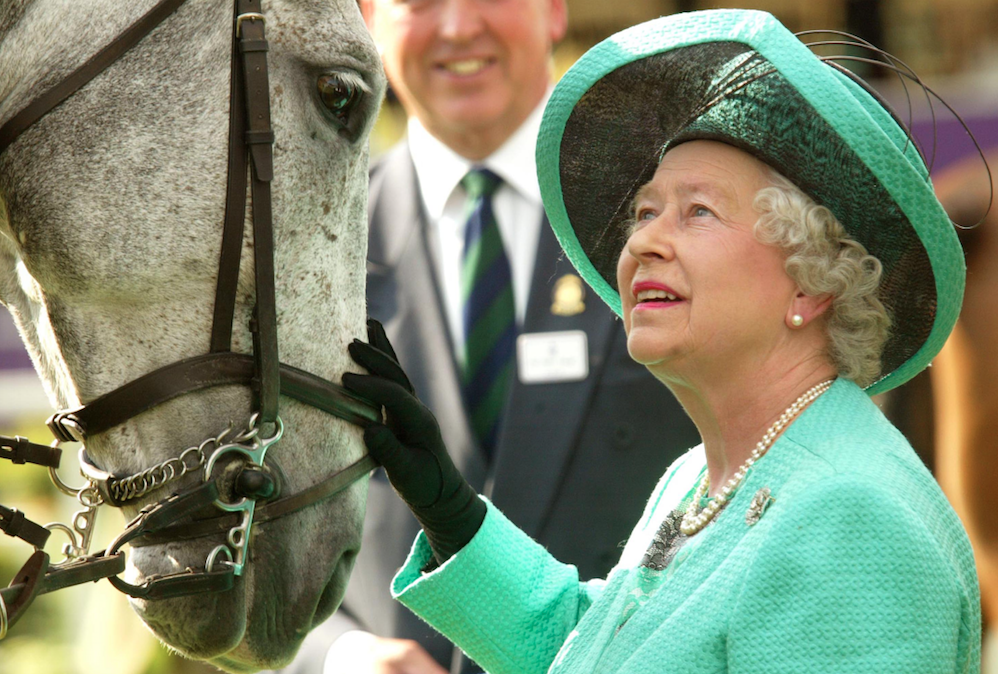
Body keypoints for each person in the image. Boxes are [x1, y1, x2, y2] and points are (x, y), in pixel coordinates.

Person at [340, 9, 982, 673]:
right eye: (645, 211)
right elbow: (597, 652)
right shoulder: (697, 477)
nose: (642, 240)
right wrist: (453, 515)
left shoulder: (849, 518)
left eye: (697, 211)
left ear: (811, 283)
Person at [274, 0, 699, 671]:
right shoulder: (302, 252)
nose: (458, 26)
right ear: (366, 20)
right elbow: (238, 529)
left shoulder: (674, 226)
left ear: (554, 10)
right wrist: (338, 657)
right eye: (419, 1)